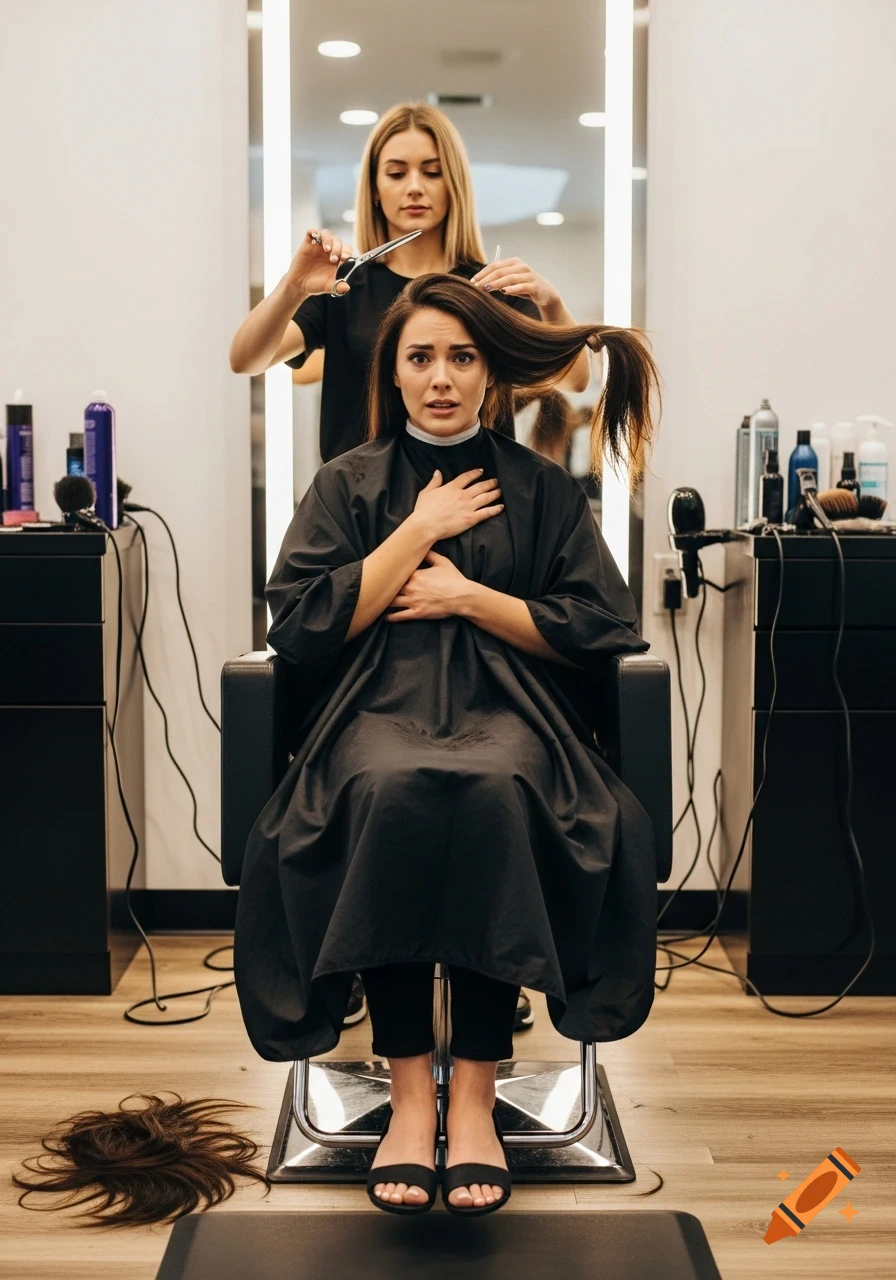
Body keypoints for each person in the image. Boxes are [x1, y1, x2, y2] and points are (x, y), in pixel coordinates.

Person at [233, 274, 661, 1217]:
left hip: (515, 715)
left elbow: (600, 625)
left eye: (461, 357)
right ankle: (406, 1087)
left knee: (495, 786)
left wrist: (472, 599)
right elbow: (299, 625)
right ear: (392, 368)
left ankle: (473, 1091)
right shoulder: (348, 483)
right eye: (420, 356)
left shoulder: (542, 487)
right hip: (369, 713)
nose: (440, 378)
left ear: (490, 371)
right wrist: (417, 532)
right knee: (390, 786)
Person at [228, 101, 591, 462]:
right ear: (374, 187)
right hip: (362, 505)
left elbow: (574, 380)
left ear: (454, 184)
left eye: (432, 172)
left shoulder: (489, 287)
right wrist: (293, 286)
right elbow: (246, 359)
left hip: (474, 501)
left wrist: (551, 304)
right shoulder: (343, 286)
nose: (415, 187)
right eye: (397, 174)